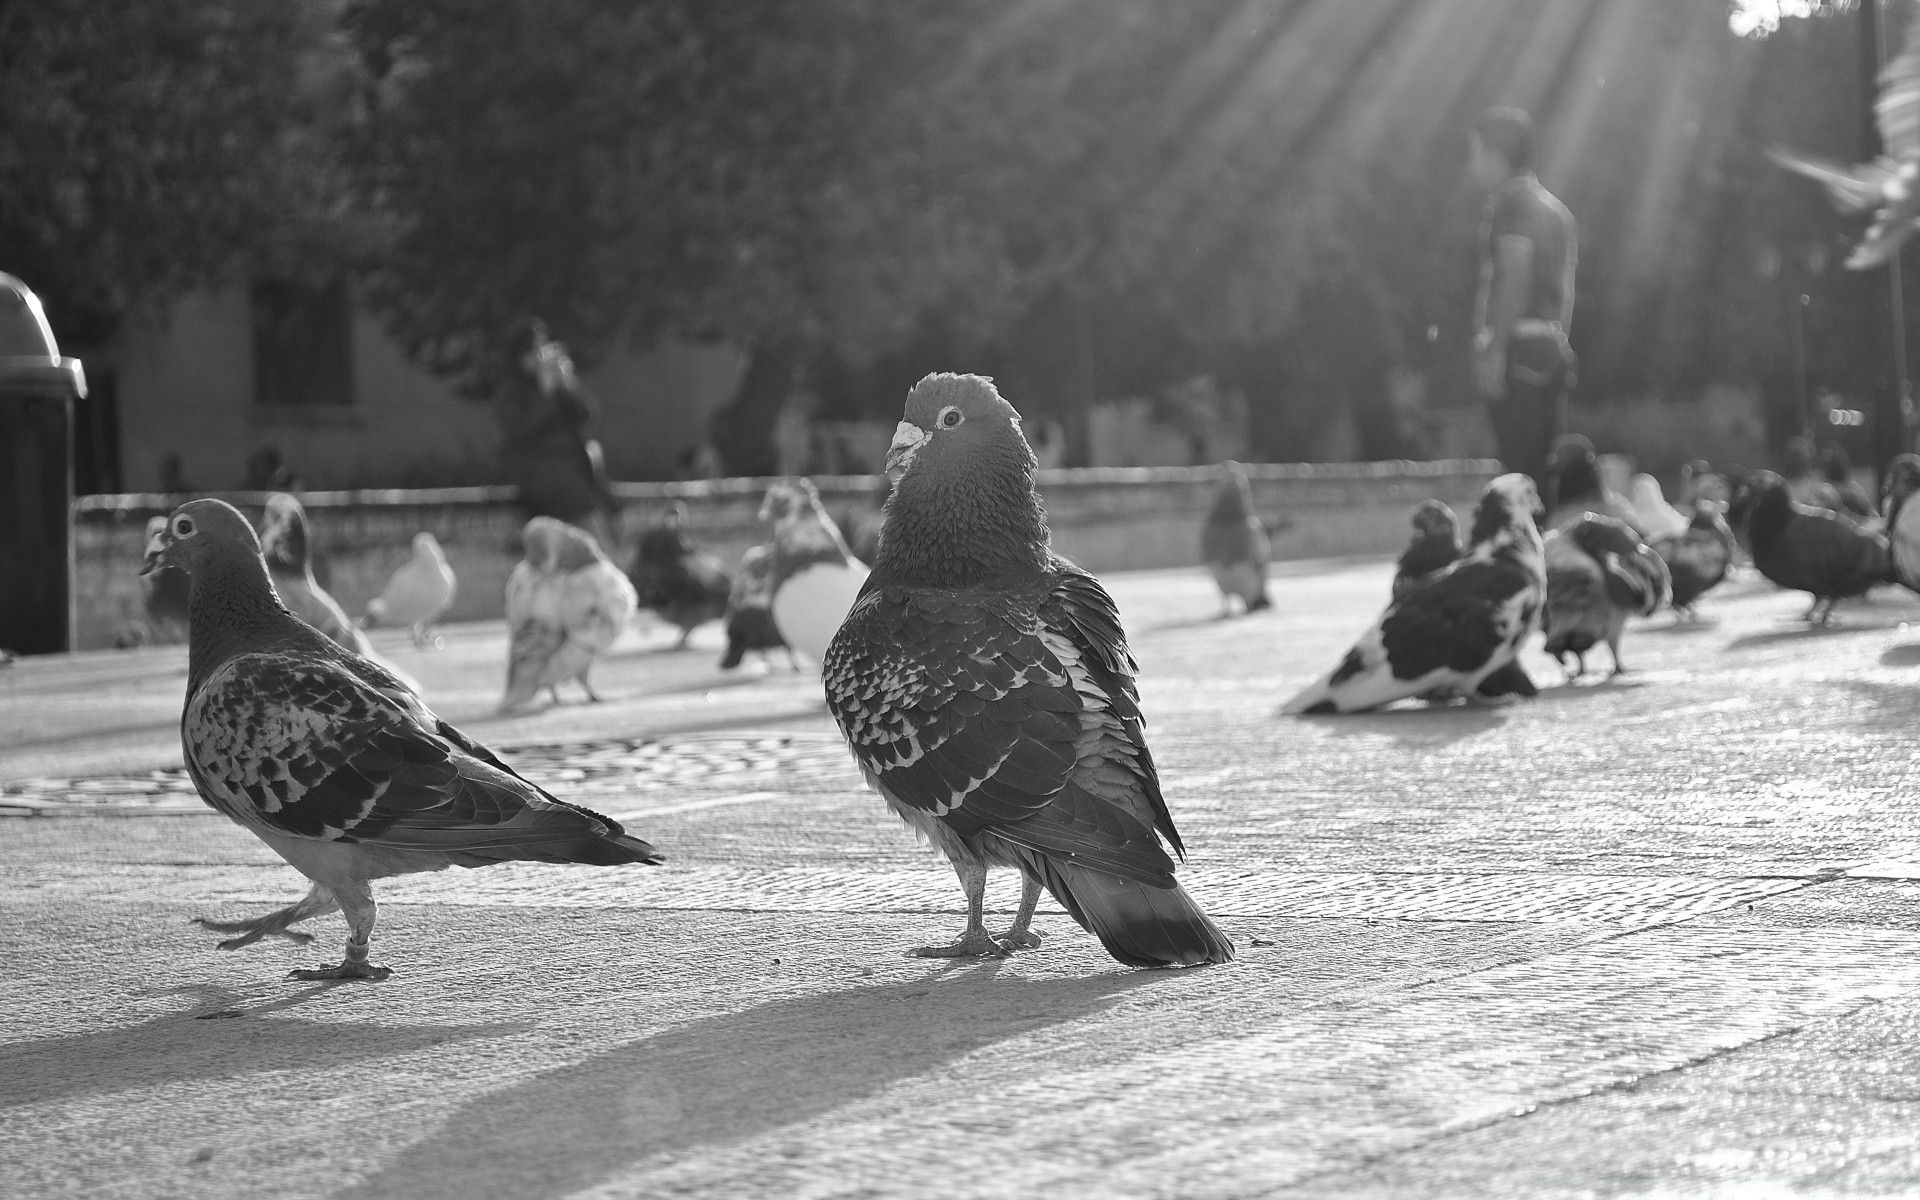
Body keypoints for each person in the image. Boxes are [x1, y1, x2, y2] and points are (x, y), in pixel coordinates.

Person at [1469, 107, 1578, 494]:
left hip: (1518, 355)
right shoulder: (1555, 210)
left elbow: (1515, 274)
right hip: (1551, 349)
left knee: (1519, 482)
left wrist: (1496, 348)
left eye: (1477, 152)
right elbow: (1565, 291)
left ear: (1497, 156)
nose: (1474, 163)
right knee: (1542, 478)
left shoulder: (1511, 205)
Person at [495, 317, 618, 552]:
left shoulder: (555, 383)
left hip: (578, 476)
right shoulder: (510, 391)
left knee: (614, 527)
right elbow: (521, 430)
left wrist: (567, 382)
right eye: (534, 350)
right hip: (544, 481)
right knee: (597, 546)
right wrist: (546, 392)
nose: (540, 357)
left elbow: (586, 412)